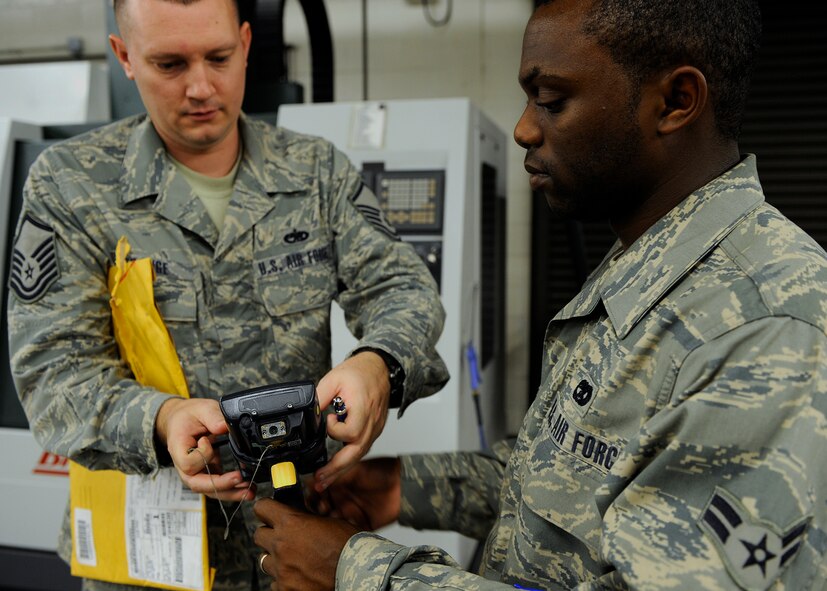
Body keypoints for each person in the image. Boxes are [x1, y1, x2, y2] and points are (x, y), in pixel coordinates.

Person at [252, 0, 827, 589]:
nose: (525, 127)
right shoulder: (645, 266)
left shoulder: (768, 329)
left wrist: (355, 571)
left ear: (676, 101)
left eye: (551, 101)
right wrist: (402, 485)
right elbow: (575, 473)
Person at [7, 0, 448, 589]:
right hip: (146, 556)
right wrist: (160, 419)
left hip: (294, 545)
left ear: (245, 44)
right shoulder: (71, 184)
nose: (200, 86)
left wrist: (379, 366)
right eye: (169, 63)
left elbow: (403, 288)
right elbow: (51, 372)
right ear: (124, 57)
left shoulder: (315, 172)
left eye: (218, 57)